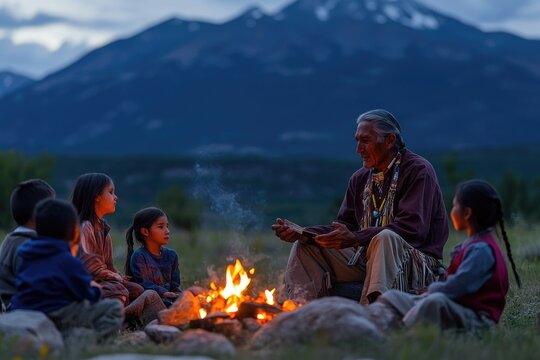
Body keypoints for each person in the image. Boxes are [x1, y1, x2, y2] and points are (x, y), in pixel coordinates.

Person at [272, 109, 449, 304]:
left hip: (413, 264)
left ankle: (375, 313)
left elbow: (412, 229)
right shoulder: (360, 178)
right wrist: (303, 233)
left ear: (390, 140)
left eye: (365, 141)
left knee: (385, 238)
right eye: (357, 141)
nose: (358, 149)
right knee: (305, 247)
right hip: (366, 259)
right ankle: (302, 309)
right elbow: (342, 227)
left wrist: (356, 238)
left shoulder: (417, 170)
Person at [379, 179, 520, 330]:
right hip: (454, 307)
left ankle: (399, 331)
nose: (451, 210)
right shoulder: (471, 246)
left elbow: (458, 286)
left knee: (434, 302)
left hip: (476, 319)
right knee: (391, 297)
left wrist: (431, 290)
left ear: (467, 213)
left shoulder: (481, 250)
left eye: (454, 205)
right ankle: (386, 321)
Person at [10, 199, 123, 340]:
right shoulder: (67, 261)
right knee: (114, 309)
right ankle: (82, 341)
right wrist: (95, 289)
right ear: (73, 232)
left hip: (24, 310)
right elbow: (87, 295)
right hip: (57, 313)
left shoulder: (26, 254)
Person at [71, 173, 165, 326]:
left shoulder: (103, 230)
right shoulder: (85, 227)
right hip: (86, 284)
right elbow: (90, 268)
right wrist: (116, 278)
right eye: (110, 192)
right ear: (96, 196)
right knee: (118, 291)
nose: (116, 197)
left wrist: (117, 276)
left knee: (136, 289)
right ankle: (113, 321)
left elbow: (108, 265)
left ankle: (127, 317)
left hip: (103, 282)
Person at [0, 179, 55, 311]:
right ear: (38, 214)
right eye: (52, 207)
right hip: (21, 312)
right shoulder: (28, 246)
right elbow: (37, 288)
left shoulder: (11, 240)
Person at [125, 207, 182, 307]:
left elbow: (175, 285)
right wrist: (163, 293)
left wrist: (180, 295)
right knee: (150, 295)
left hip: (169, 299)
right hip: (150, 301)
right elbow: (144, 285)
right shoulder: (139, 256)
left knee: (194, 293)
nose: (167, 231)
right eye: (161, 227)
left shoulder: (172, 255)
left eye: (167, 226)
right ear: (145, 232)